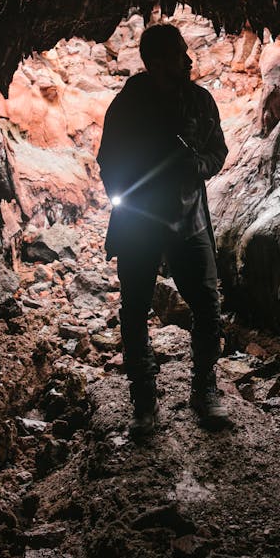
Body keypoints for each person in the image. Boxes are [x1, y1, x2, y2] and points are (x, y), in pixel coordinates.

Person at [96, 22, 230, 435]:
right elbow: (107, 162)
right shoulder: (128, 107)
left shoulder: (200, 102)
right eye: (178, 55)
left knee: (208, 307)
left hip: (189, 220)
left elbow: (218, 150)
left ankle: (204, 390)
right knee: (134, 310)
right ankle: (144, 401)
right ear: (156, 63)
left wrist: (197, 166)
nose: (187, 61)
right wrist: (138, 191)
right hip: (139, 223)